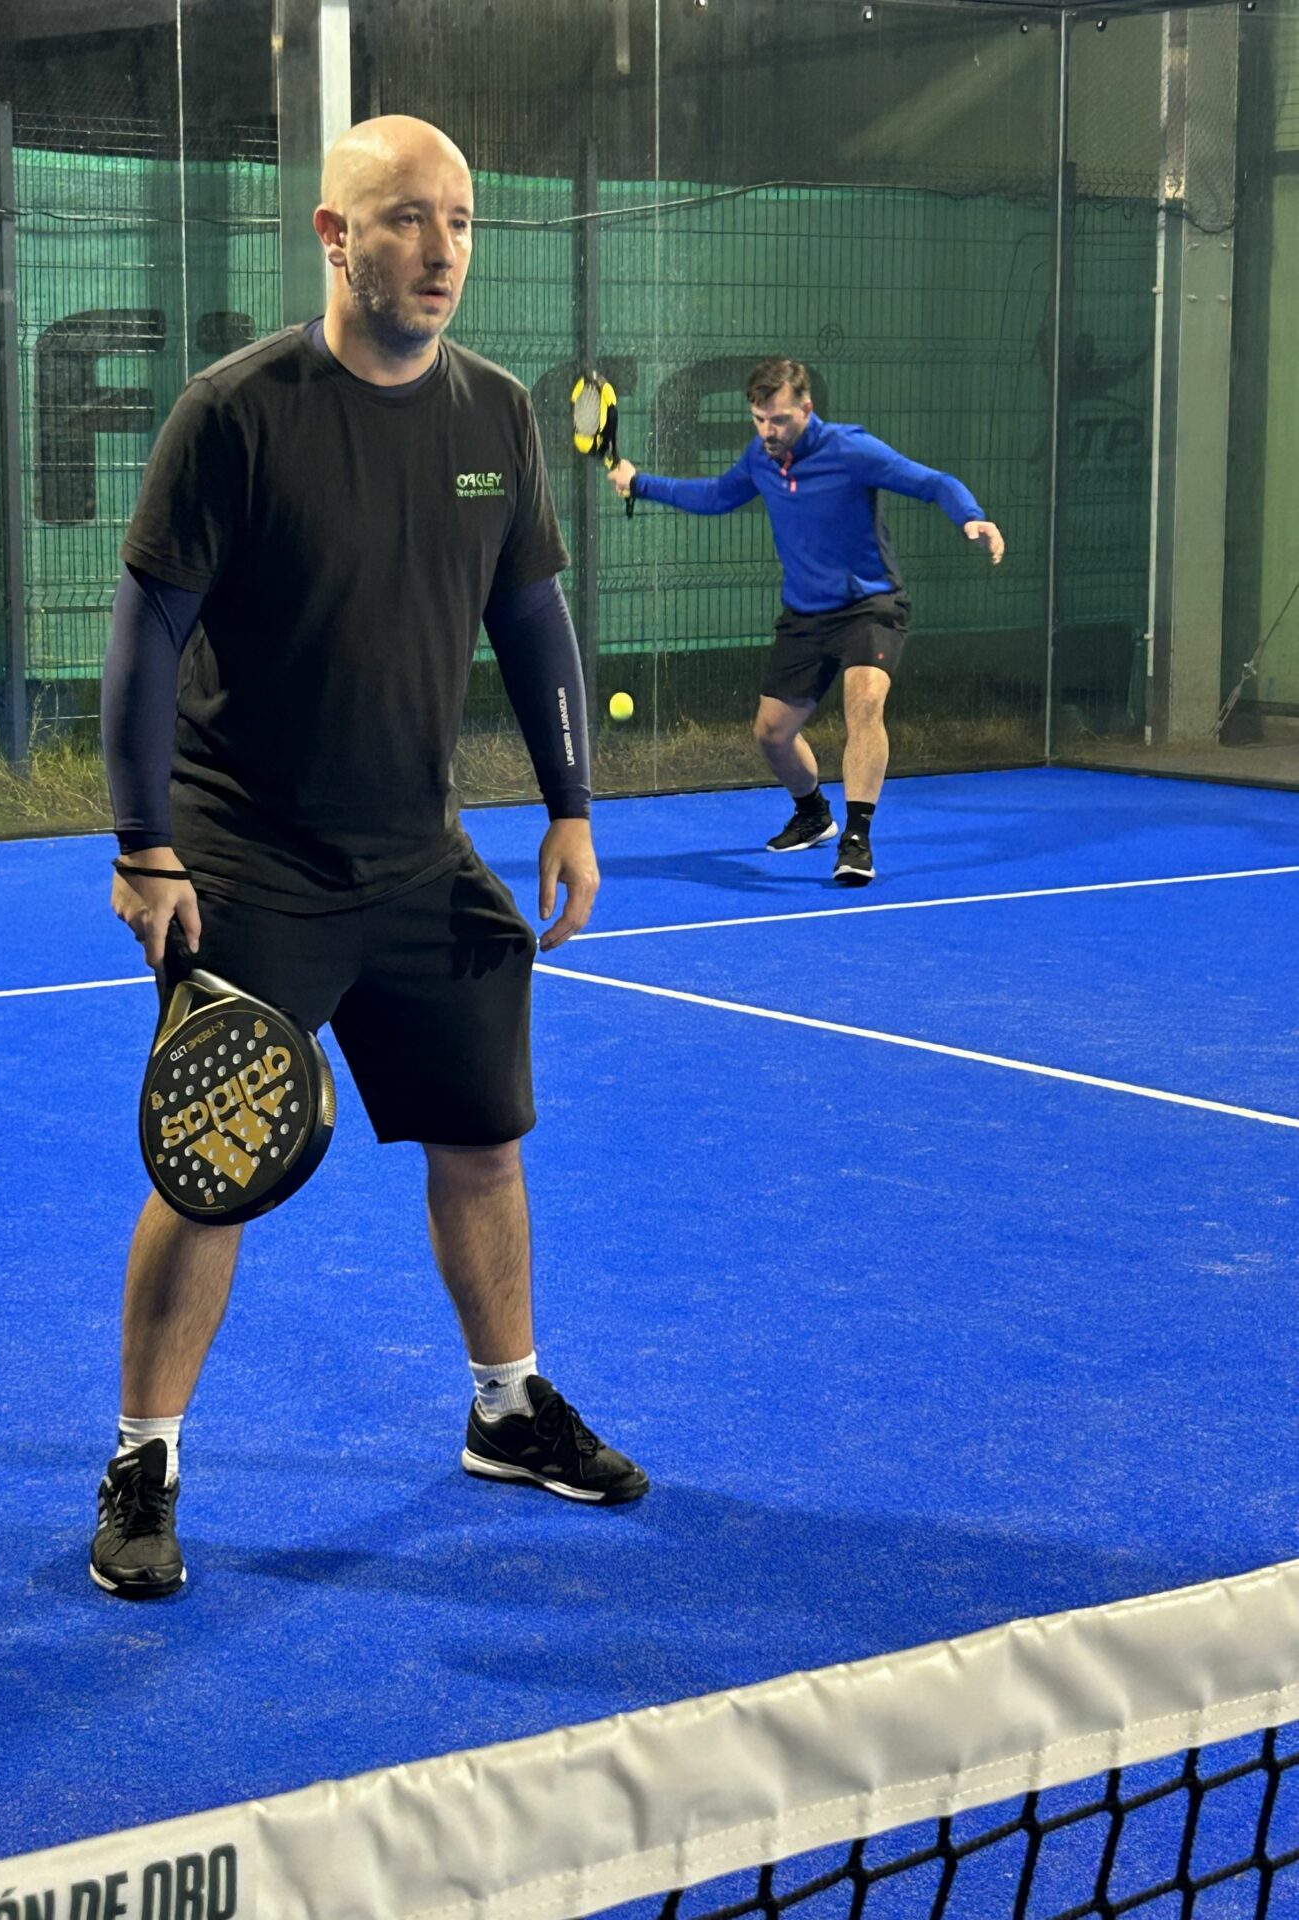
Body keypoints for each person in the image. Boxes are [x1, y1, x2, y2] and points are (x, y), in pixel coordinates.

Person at [92, 114, 648, 1600]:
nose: (442, 248)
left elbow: (528, 618)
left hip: (418, 855)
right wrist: (144, 844)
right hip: (247, 853)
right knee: (213, 1166)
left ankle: (507, 1409)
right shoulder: (233, 414)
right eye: (407, 218)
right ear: (334, 238)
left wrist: (572, 806)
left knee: (484, 1136)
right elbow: (146, 633)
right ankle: (144, 1459)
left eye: (460, 221)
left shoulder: (498, 415)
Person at [608, 358, 1004, 886]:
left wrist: (971, 516)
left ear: (807, 408)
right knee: (772, 735)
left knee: (864, 704)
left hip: (869, 604)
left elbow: (933, 482)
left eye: (779, 420)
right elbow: (716, 497)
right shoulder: (760, 457)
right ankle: (813, 813)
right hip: (805, 615)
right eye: (759, 420)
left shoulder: (851, 450)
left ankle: (856, 838)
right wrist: (640, 483)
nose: (768, 431)